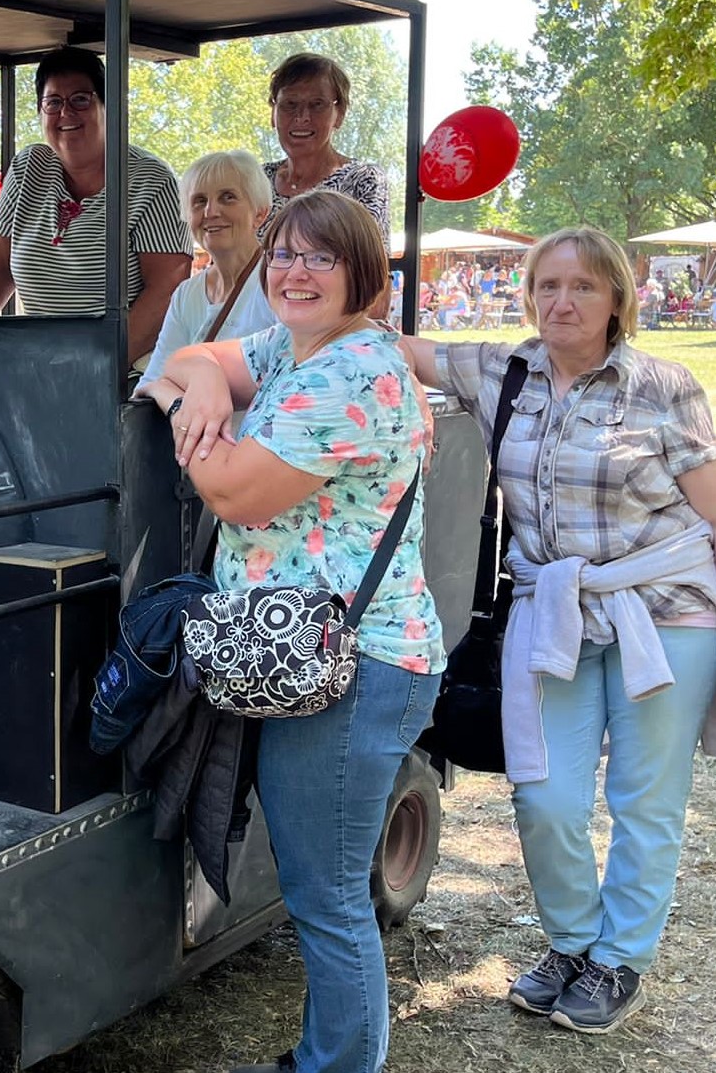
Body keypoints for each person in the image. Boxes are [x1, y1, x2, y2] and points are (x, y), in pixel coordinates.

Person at [396, 226, 716, 1036]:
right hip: (556, 612)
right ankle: (571, 943)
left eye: (583, 287)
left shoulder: (662, 387)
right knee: (544, 796)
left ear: (615, 300)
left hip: (664, 611)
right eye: (547, 285)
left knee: (644, 799)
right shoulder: (501, 372)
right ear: (528, 294)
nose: (561, 301)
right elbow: (393, 349)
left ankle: (617, 958)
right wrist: (213, 372)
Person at [141, 190, 442, 1073]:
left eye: (320, 258)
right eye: (284, 254)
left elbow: (234, 490)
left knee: (327, 893)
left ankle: (337, 1063)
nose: (294, 272)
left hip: (352, 665)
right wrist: (199, 381)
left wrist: (186, 419)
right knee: (323, 882)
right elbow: (198, 355)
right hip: (300, 651)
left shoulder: (356, 371)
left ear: (364, 279)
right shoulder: (292, 344)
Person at [0, 46, 190, 364]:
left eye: (81, 99)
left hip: (124, 369)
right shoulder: (28, 168)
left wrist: (102, 366)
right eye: (53, 102)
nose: (65, 113)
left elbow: (167, 288)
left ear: (107, 107)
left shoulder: (149, 179)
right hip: (37, 362)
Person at [137, 150, 275, 387]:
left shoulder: (280, 282)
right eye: (199, 201)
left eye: (228, 197)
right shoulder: (186, 295)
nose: (210, 212)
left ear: (260, 213)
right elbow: (153, 381)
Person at [263, 53, 389, 237]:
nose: (302, 116)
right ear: (273, 113)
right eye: (290, 103)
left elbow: (371, 262)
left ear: (340, 115)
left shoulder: (363, 180)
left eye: (317, 104)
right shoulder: (255, 181)